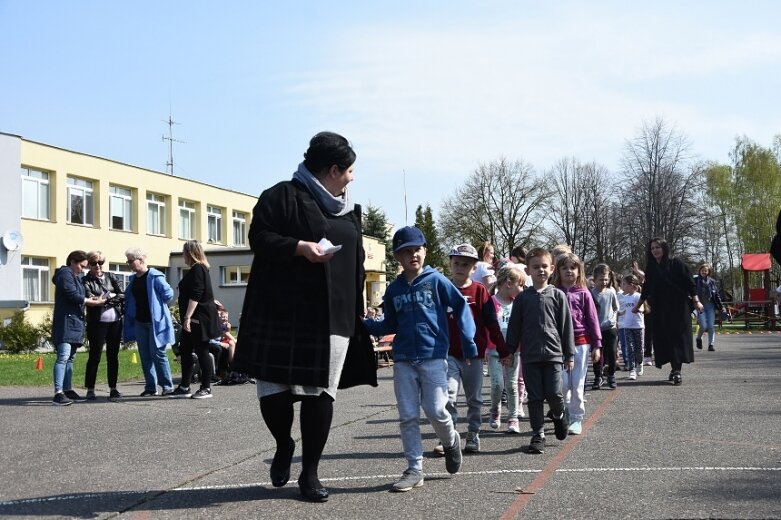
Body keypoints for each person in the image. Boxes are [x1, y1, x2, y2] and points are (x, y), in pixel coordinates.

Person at [231, 132, 376, 503]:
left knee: (320, 394)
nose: (352, 178)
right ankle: (284, 443)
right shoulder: (281, 196)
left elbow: (357, 264)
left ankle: (309, 473)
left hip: (335, 318)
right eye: (349, 170)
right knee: (274, 396)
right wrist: (299, 248)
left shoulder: (348, 210)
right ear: (332, 169)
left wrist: (359, 311)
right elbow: (259, 238)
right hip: (283, 312)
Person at [363, 226, 472, 492]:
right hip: (402, 359)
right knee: (408, 416)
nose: (413, 255)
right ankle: (415, 469)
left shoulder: (437, 281)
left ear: (424, 251)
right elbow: (389, 323)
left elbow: (460, 307)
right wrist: (364, 325)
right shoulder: (394, 290)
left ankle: (450, 440)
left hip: (433, 357)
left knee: (436, 410)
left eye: (417, 250)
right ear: (398, 257)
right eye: (406, 251)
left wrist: (468, 342)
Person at [437, 243, 510, 455]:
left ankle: (472, 433)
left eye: (466, 264)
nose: (460, 267)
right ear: (450, 264)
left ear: (473, 267)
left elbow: (491, 324)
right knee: (448, 396)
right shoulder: (442, 289)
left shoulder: (480, 292)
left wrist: (504, 350)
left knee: (474, 399)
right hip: (448, 354)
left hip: (474, 356)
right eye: (456, 263)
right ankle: (449, 438)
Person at [505, 248, 574, 454]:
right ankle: (538, 434)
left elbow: (565, 327)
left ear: (552, 269)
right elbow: (514, 327)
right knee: (534, 397)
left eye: (544, 266)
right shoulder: (523, 299)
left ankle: (559, 415)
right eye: (536, 267)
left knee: (554, 394)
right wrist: (508, 351)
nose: (541, 270)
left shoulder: (558, 296)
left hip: (553, 355)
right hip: (530, 357)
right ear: (528, 270)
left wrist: (568, 354)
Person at [631, 238, 702, 385]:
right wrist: (638, 305)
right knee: (665, 339)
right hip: (660, 308)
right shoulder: (651, 267)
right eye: (652, 248)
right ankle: (673, 368)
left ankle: (677, 371)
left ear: (664, 248)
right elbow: (646, 289)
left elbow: (690, 283)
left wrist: (696, 300)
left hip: (679, 307)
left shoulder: (676, 263)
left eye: (658, 247)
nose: (655, 250)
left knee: (677, 338)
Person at [554, 252, 601, 436]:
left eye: (572, 268)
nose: (568, 271)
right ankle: (564, 410)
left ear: (579, 271)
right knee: (562, 383)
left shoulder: (584, 293)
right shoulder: (554, 292)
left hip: (581, 343)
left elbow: (592, 320)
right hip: (558, 345)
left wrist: (597, 345)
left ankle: (576, 417)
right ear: (558, 270)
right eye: (564, 267)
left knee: (577, 383)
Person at [51, 250, 105, 406]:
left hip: (75, 322)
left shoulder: (75, 276)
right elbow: (73, 295)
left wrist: (93, 298)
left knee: (71, 358)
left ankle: (67, 389)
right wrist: (93, 302)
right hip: (66, 322)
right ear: (73, 262)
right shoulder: (65, 274)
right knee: (63, 356)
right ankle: (58, 392)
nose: (83, 269)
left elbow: (81, 295)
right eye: (82, 266)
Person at [169, 240, 221, 399]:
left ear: (190, 253)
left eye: (184, 252)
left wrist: (187, 317)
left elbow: (196, 295)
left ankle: (206, 388)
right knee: (185, 351)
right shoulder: (196, 269)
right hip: (192, 319)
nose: (183, 255)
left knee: (202, 351)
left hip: (198, 319)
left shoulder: (198, 268)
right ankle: (185, 386)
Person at [123, 246, 176, 397]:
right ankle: (151, 387)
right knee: (145, 355)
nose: (129, 264)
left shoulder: (154, 276)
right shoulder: (133, 279)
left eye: (131, 261)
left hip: (155, 323)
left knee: (158, 354)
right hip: (140, 322)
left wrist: (158, 308)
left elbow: (168, 295)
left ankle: (167, 386)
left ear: (140, 260)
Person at [82, 250, 124, 400]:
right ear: (89, 264)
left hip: (115, 322)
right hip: (97, 324)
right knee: (95, 356)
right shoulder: (86, 280)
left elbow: (121, 294)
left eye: (100, 263)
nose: (98, 266)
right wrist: (107, 298)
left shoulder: (111, 276)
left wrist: (104, 301)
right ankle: (90, 389)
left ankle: (113, 388)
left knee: (113, 356)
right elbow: (89, 298)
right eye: (94, 263)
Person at [490, 265, 527, 433]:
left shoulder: (518, 304)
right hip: (494, 351)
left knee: (511, 385)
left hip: (513, 351)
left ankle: (513, 418)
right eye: (520, 285)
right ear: (508, 283)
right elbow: (486, 328)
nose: (522, 289)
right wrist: (485, 348)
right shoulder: (491, 302)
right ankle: (495, 410)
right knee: (497, 384)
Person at [590, 264, 618, 390]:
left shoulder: (611, 292)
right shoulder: (591, 294)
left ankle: (611, 375)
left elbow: (616, 308)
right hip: (596, 329)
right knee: (597, 354)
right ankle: (598, 376)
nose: (604, 282)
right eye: (601, 280)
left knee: (611, 352)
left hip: (610, 328)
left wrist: (613, 319)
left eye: (606, 279)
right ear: (594, 280)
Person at [618, 274, 645, 383]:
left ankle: (640, 363)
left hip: (638, 326)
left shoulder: (638, 296)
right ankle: (632, 369)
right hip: (627, 326)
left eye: (624, 284)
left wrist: (638, 309)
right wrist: (619, 313)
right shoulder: (623, 297)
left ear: (631, 285)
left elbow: (642, 308)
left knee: (639, 349)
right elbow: (621, 310)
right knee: (630, 348)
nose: (622, 286)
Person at [694, 263, 723, 352]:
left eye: (706, 270)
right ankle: (699, 338)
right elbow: (692, 293)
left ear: (708, 272)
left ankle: (711, 344)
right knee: (703, 326)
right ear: (699, 271)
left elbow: (716, 294)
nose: (704, 272)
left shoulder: (712, 281)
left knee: (710, 326)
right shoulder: (695, 280)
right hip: (700, 306)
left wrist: (721, 306)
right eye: (702, 270)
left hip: (710, 306)